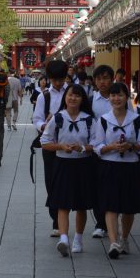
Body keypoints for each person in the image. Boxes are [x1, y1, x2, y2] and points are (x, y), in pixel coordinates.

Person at [91, 82, 140, 259]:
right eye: (113, 95)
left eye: (120, 95)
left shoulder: (137, 119)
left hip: (131, 167)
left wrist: (131, 146)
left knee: (129, 208)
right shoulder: (103, 120)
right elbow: (97, 146)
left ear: (127, 97)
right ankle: (113, 242)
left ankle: (124, 238)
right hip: (109, 166)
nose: (116, 99)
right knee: (111, 205)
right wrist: (111, 147)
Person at [40, 84, 95, 256]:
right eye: (70, 95)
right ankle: (64, 239)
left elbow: (97, 143)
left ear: (82, 99)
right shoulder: (57, 118)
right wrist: (61, 146)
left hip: (83, 166)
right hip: (62, 164)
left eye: (77, 96)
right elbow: (44, 141)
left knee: (81, 206)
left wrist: (83, 148)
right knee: (62, 204)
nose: (73, 98)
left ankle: (78, 238)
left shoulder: (88, 119)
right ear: (65, 97)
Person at [90, 63, 134, 239]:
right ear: (95, 81)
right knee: (98, 187)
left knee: (119, 189)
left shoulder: (122, 98)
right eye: (99, 79)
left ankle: (118, 223)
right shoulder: (91, 99)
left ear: (112, 78)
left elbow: (132, 119)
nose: (103, 82)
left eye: (106, 78)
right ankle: (101, 223)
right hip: (98, 149)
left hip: (121, 152)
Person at [33, 59, 69, 237]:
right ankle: (56, 219)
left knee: (67, 183)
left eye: (61, 79)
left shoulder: (72, 93)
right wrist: (44, 125)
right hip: (50, 145)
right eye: (55, 79)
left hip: (69, 145)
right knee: (51, 182)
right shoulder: (44, 96)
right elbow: (37, 119)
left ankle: (63, 218)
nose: (58, 83)